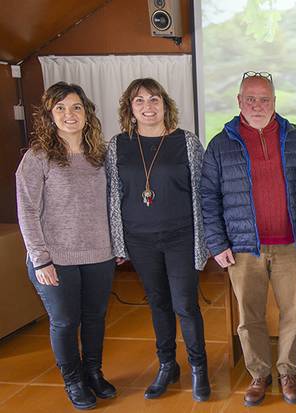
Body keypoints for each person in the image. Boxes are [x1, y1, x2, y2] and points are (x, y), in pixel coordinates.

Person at [200, 71, 296, 407]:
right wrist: (217, 243)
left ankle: (288, 372)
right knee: (249, 317)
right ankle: (259, 374)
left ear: (275, 102)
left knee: (294, 314)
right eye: (251, 98)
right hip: (243, 248)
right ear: (239, 101)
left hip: (290, 244)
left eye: (265, 99)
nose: (258, 105)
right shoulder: (220, 144)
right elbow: (207, 197)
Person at [106, 78, 210, 401]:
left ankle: (198, 367)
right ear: (130, 109)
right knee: (158, 303)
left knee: (185, 304)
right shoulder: (118, 145)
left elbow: (203, 195)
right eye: (140, 101)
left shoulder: (187, 142)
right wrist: (118, 242)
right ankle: (167, 364)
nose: (148, 107)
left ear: (165, 104)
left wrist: (204, 242)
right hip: (140, 240)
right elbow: (113, 196)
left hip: (181, 237)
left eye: (154, 100)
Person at [16, 82, 116, 410]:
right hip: (55, 259)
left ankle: (93, 373)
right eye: (60, 108)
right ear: (50, 115)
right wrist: (40, 259)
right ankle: (73, 380)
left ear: (87, 113)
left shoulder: (100, 155)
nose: (69, 114)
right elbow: (27, 211)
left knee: (95, 318)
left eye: (75, 107)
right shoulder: (37, 157)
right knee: (64, 321)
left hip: (99, 255)